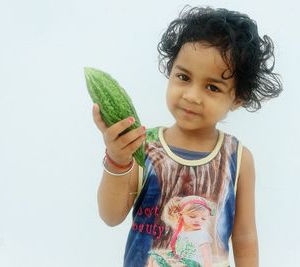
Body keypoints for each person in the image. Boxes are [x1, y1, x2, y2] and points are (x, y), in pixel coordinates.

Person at [92, 5, 282, 267]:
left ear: (237, 97)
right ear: (170, 73)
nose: (192, 95)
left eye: (212, 86)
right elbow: (111, 216)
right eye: (183, 77)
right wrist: (117, 159)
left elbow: (245, 235)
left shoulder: (238, 158)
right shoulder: (143, 146)